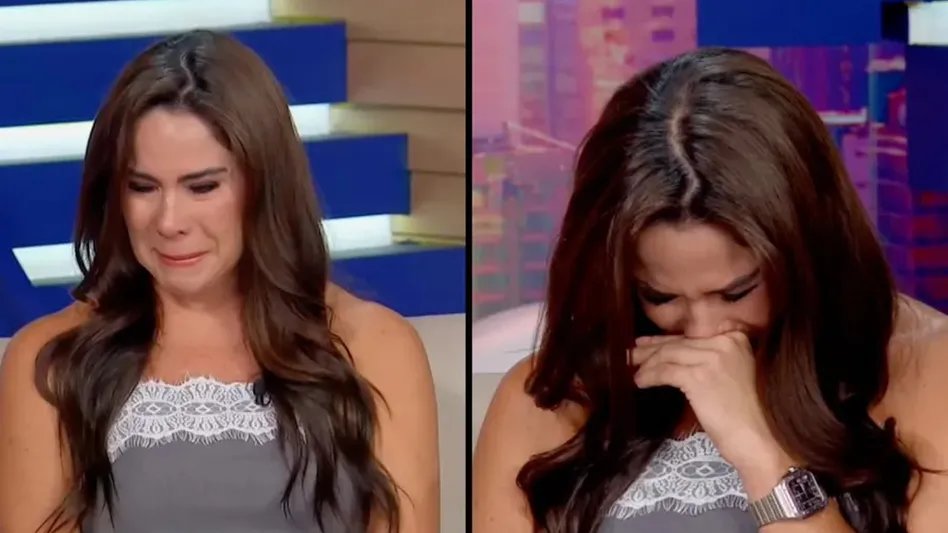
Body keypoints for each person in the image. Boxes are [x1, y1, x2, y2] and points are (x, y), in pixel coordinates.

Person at [473, 48, 948, 533]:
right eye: (660, 297)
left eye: (737, 292)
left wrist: (759, 450)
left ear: (807, 250)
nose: (703, 334)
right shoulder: (547, 400)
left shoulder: (925, 369)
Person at [0, 30, 439, 533]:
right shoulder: (51, 362)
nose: (169, 221)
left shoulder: (377, 348)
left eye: (202, 186)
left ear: (264, 186)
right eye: (142, 187)